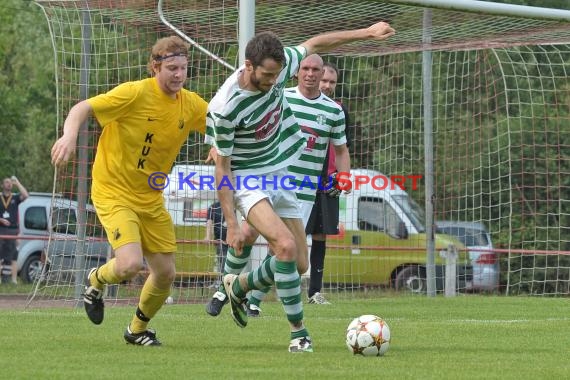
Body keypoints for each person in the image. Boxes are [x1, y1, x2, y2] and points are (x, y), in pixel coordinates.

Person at [205, 22, 395, 353]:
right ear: (249, 66)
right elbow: (222, 168)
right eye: (266, 76)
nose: (272, 81)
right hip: (249, 178)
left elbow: (319, 39)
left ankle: (239, 287)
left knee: (299, 265)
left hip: (281, 170)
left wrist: (365, 33)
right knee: (285, 247)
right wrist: (231, 225)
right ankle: (299, 335)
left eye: (277, 75)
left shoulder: (280, 66)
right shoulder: (225, 107)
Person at [50, 36, 208, 346]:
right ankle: (95, 280)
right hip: (114, 191)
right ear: (155, 67)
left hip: (150, 197)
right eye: (171, 68)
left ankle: (136, 330)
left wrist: (219, 146)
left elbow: (220, 126)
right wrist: (69, 136)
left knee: (165, 274)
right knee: (130, 264)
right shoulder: (134, 93)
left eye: (183, 69)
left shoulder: (190, 104)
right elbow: (82, 107)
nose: (178, 75)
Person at [236, 54, 351, 315]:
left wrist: (344, 176)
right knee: (247, 234)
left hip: (305, 190)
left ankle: (248, 296)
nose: (311, 74)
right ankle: (225, 289)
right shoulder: (282, 96)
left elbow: (342, 150)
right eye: (306, 68)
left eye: (316, 70)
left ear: (323, 75)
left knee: (291, 254)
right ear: (297, 72)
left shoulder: (333, 110)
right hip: (271, 179)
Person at [0, 176, 29, 284]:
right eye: (6, 182)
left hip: (13, 231)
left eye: (10, 182)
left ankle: (14, 280)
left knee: (14, 255)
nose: (9, 184)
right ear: (2, 185)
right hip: (1, 230)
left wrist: (17, 182)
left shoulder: (15, 197)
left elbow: (26, 195)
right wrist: (1, 220)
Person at [205, 200, 228, 277]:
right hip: (220, 241)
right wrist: (208, 236)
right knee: (223, 264)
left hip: (235, 241)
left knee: (236, 263)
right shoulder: (214, 207)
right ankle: (222, 283)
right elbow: (209, 222)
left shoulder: (235, 204)